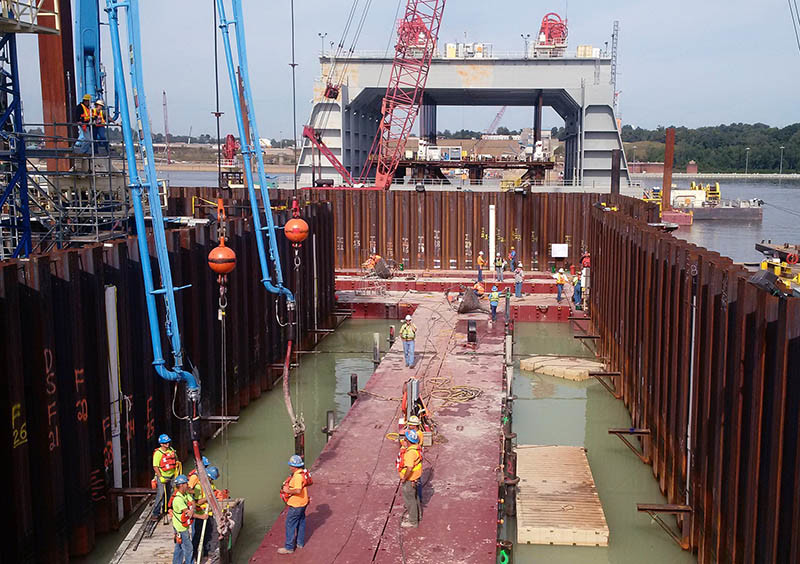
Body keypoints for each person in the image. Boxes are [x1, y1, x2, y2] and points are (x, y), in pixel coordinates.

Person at [278, 455, 312, 554]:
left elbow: (297, 490)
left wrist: (287, 490)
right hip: (303, 503)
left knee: (290, 524)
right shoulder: (301, 474)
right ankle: (300, 543)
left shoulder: (297, 476)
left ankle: (289, 547)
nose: (289, 467)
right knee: (301, 522)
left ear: (294, 466)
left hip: (296, 505)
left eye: (291, 465)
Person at [170, 474, 204, 564]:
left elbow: (192, 502)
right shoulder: (178, 499)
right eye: (186, 483)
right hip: (180, 527)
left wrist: (192, 509)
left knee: (179, 546)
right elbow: (189, 514)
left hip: (180, 526)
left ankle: (176, 562)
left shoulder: (185, 494)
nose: (188, 485)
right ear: (181, 485)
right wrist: (202, 516)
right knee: (189, 548)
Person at [191, 465, 219, 559]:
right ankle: (194, 554)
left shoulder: (211, 485)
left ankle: (208, 553)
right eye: (210, 478)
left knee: (210, 533)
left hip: (209, 513)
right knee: (198, 535)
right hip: (200, 514)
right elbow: (197, 502)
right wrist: (208, 497)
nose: (211, 480)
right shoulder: (199, 486)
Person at [398, 429, 423, 528]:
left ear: (408, 441)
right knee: (415, 498)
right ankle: (417, 516)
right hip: (416, 478)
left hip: (409, 480)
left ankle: (413, 521)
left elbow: (409, 468)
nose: (403, 440)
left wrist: (404, 478)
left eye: (404, 439)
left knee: (409, 500)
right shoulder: (417, 448)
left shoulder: (409, 454)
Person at [152, 434, 179, 520]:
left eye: (168, 442)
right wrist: (160, 477)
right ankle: (155, 513)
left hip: (172, 476)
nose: (167, 444)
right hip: (163, 477)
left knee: (170, 493)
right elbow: (155, 467)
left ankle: (167, 509)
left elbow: (176, 461)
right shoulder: (158, 454)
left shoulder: (171, 450)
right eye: (165, 443)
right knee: (160, 494)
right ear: (161, 444)